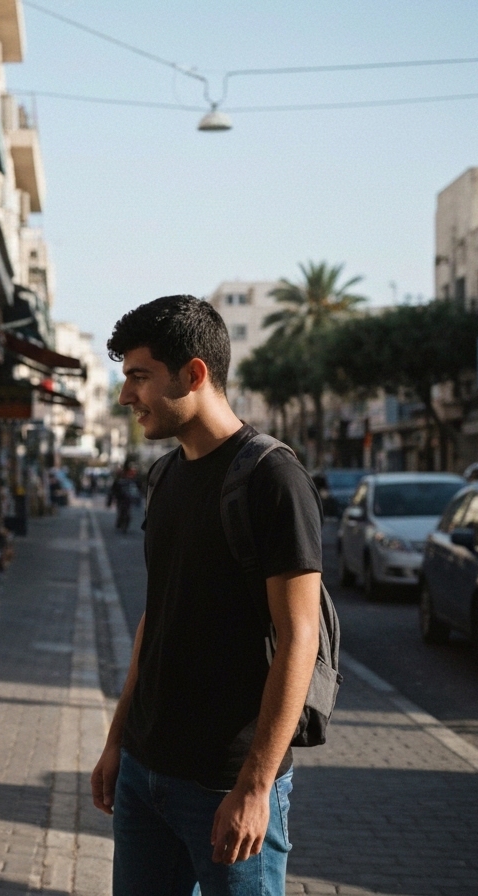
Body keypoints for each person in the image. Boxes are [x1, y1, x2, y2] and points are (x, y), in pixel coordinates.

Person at [91, 296, 323, 896]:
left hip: (225, 783)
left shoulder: (272, 478)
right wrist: (117, 741)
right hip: (145, 773)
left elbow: (300, 637)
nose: (126, 395)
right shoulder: (163, 476)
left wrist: (255, 786)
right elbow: (156, 619)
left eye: (139, 377)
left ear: (193, 374)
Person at [107, 462, 140, 533]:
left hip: (127, 499)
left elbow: (136, 490)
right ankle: (120, 522)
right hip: (121, 498)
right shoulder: (119, 481)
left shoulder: (131, 481)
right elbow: (113, 490)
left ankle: (122, 523)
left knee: (126, 511)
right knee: (121, 510)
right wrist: (110, 500)